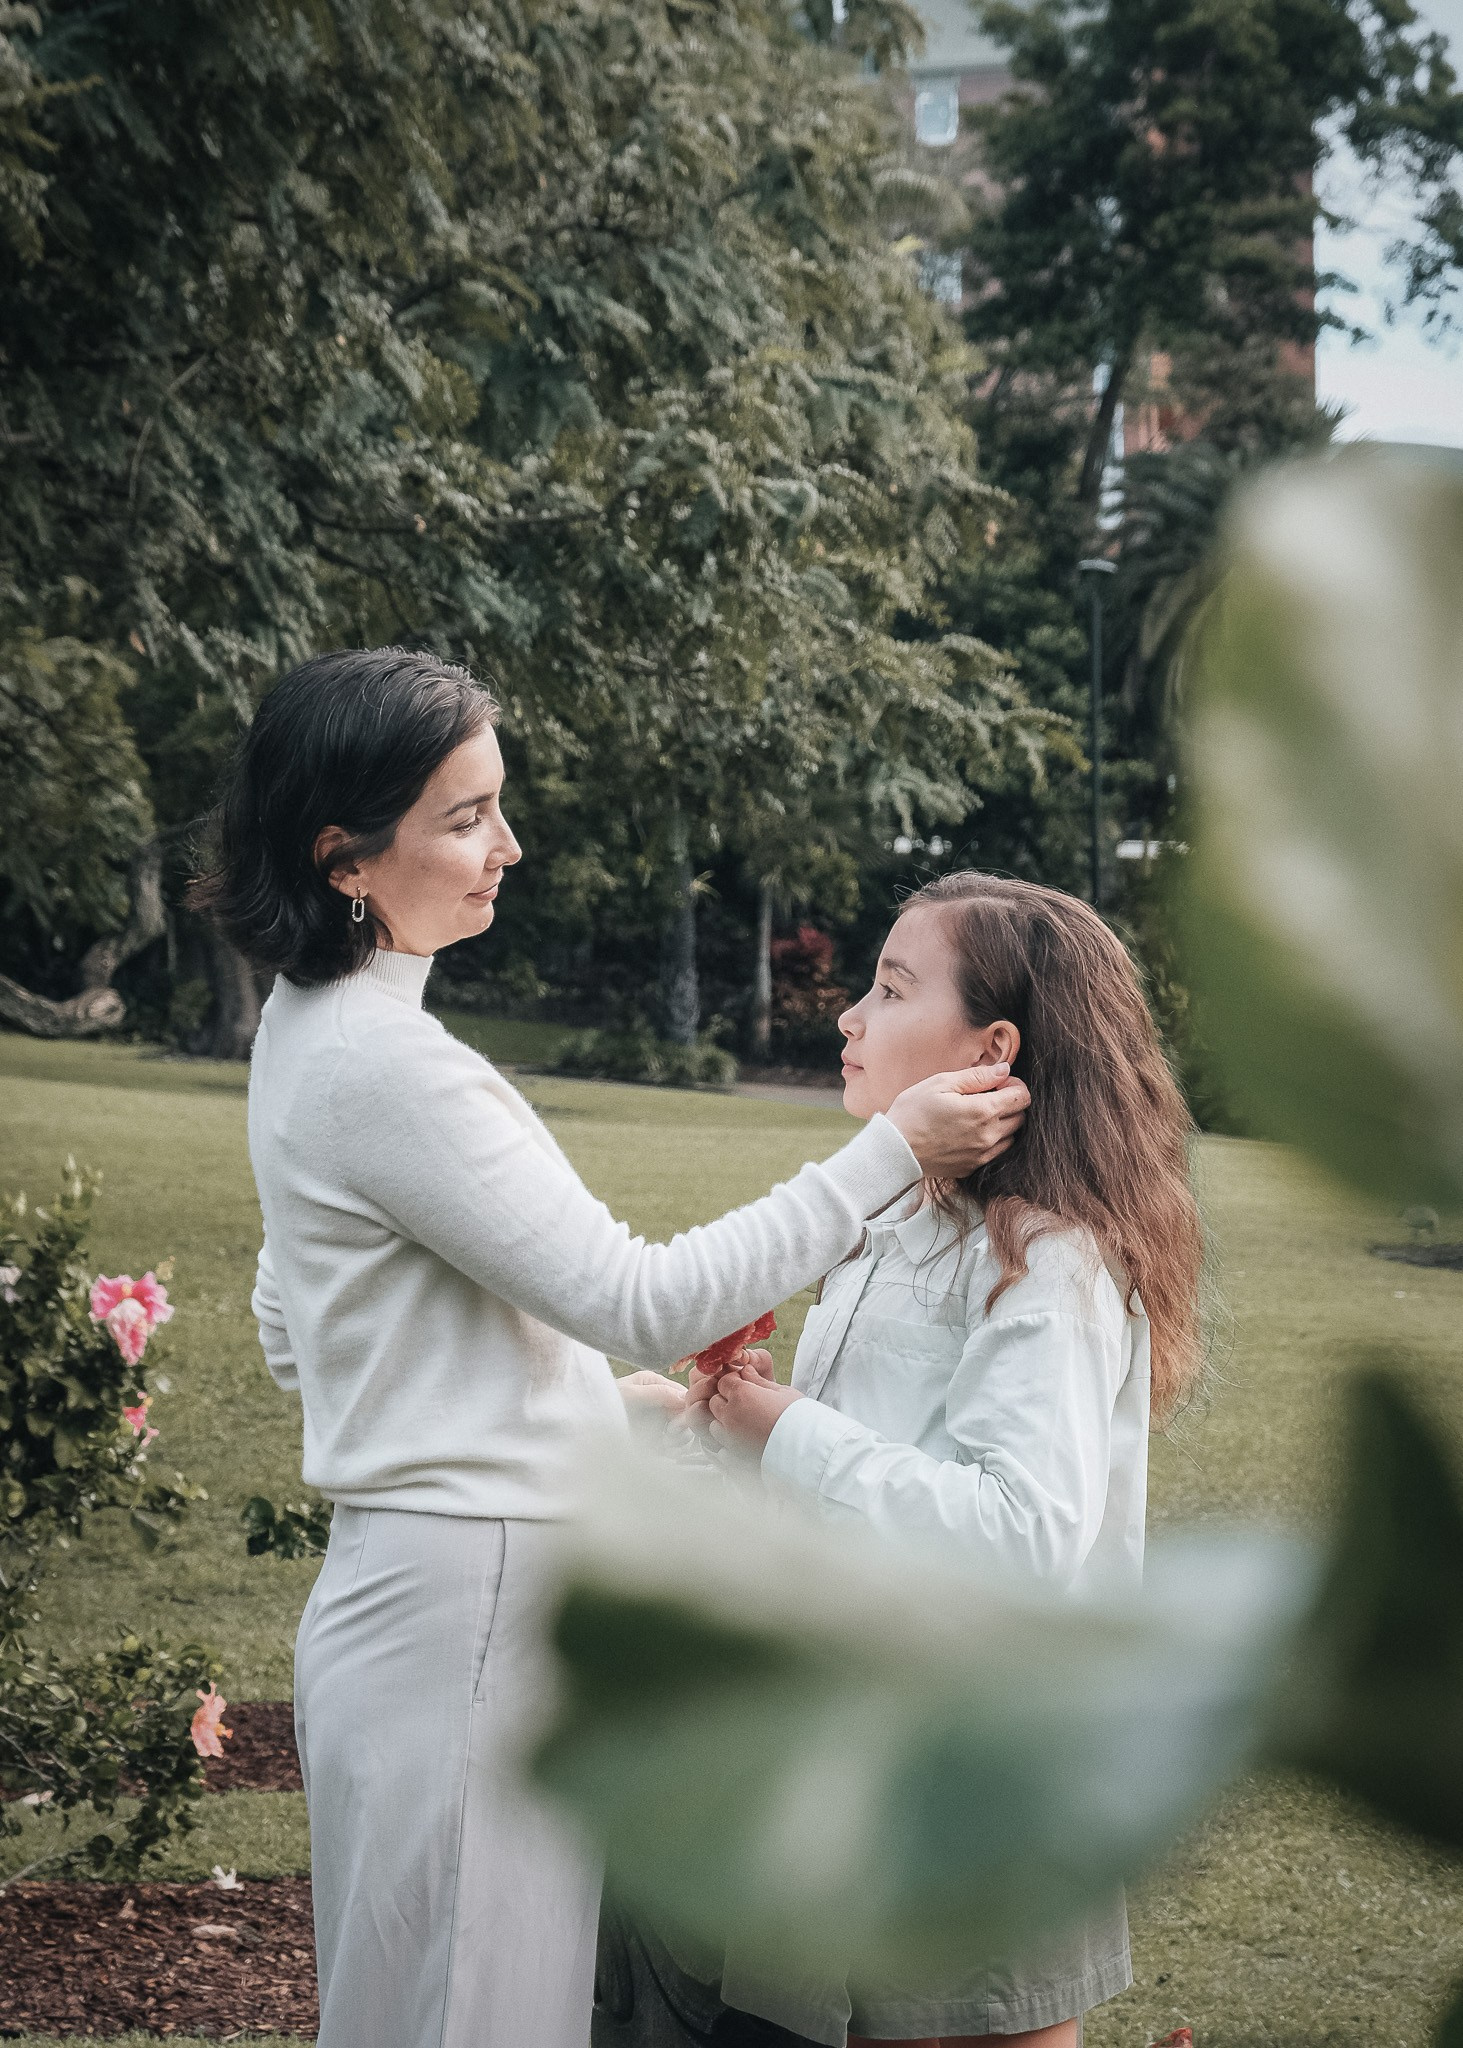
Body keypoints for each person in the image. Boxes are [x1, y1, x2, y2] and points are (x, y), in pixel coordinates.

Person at [190, 648, 1030, 2048]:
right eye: (463, 818)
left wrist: (585, 1405)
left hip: (415, 1591)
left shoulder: (318, 1032)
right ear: (343, 854)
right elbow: (639, 1293)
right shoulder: (384, 1066)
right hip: (473, 1611)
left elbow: (302, 1318)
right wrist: (890, 1153)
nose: (506, 846)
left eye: (495, 805)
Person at [691, 871, 1204, 2048]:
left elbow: (1015, 1532)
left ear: (993, 1046)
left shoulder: (1049, 1256)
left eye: (888, 987)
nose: (847, 1017)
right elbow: (852, 1472)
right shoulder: (891, 1219)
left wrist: (783, 1428)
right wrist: (723, 1429)